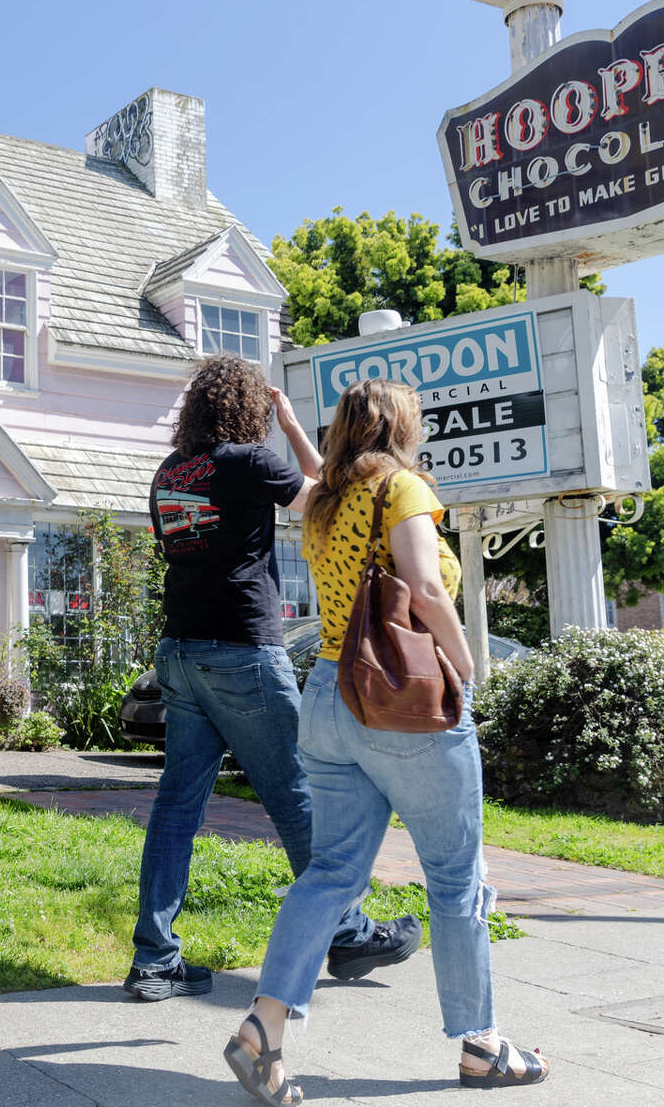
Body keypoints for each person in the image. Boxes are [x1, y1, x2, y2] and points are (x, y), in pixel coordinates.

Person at [222, 378, 548, 1102]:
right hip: (402, 700)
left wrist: (292, 428)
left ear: (343, 431)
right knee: (456, 879)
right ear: (403, 428)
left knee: (331, 873)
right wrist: (468, 668)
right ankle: (482, 1046)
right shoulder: (403, 490)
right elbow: (425, 591)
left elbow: (318, 477)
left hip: (327, 696)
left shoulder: (324, 501)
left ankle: (263, 1029)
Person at [125, 355, 420, 1003]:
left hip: (179, 650)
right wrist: (290, 428)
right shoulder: (249, 461)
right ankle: (348, 932)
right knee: (298, 793)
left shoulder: (170, 472)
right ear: (249, 408)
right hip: (241, 650)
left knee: (176, 808)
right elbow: (328, 500)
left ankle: (154, 960)